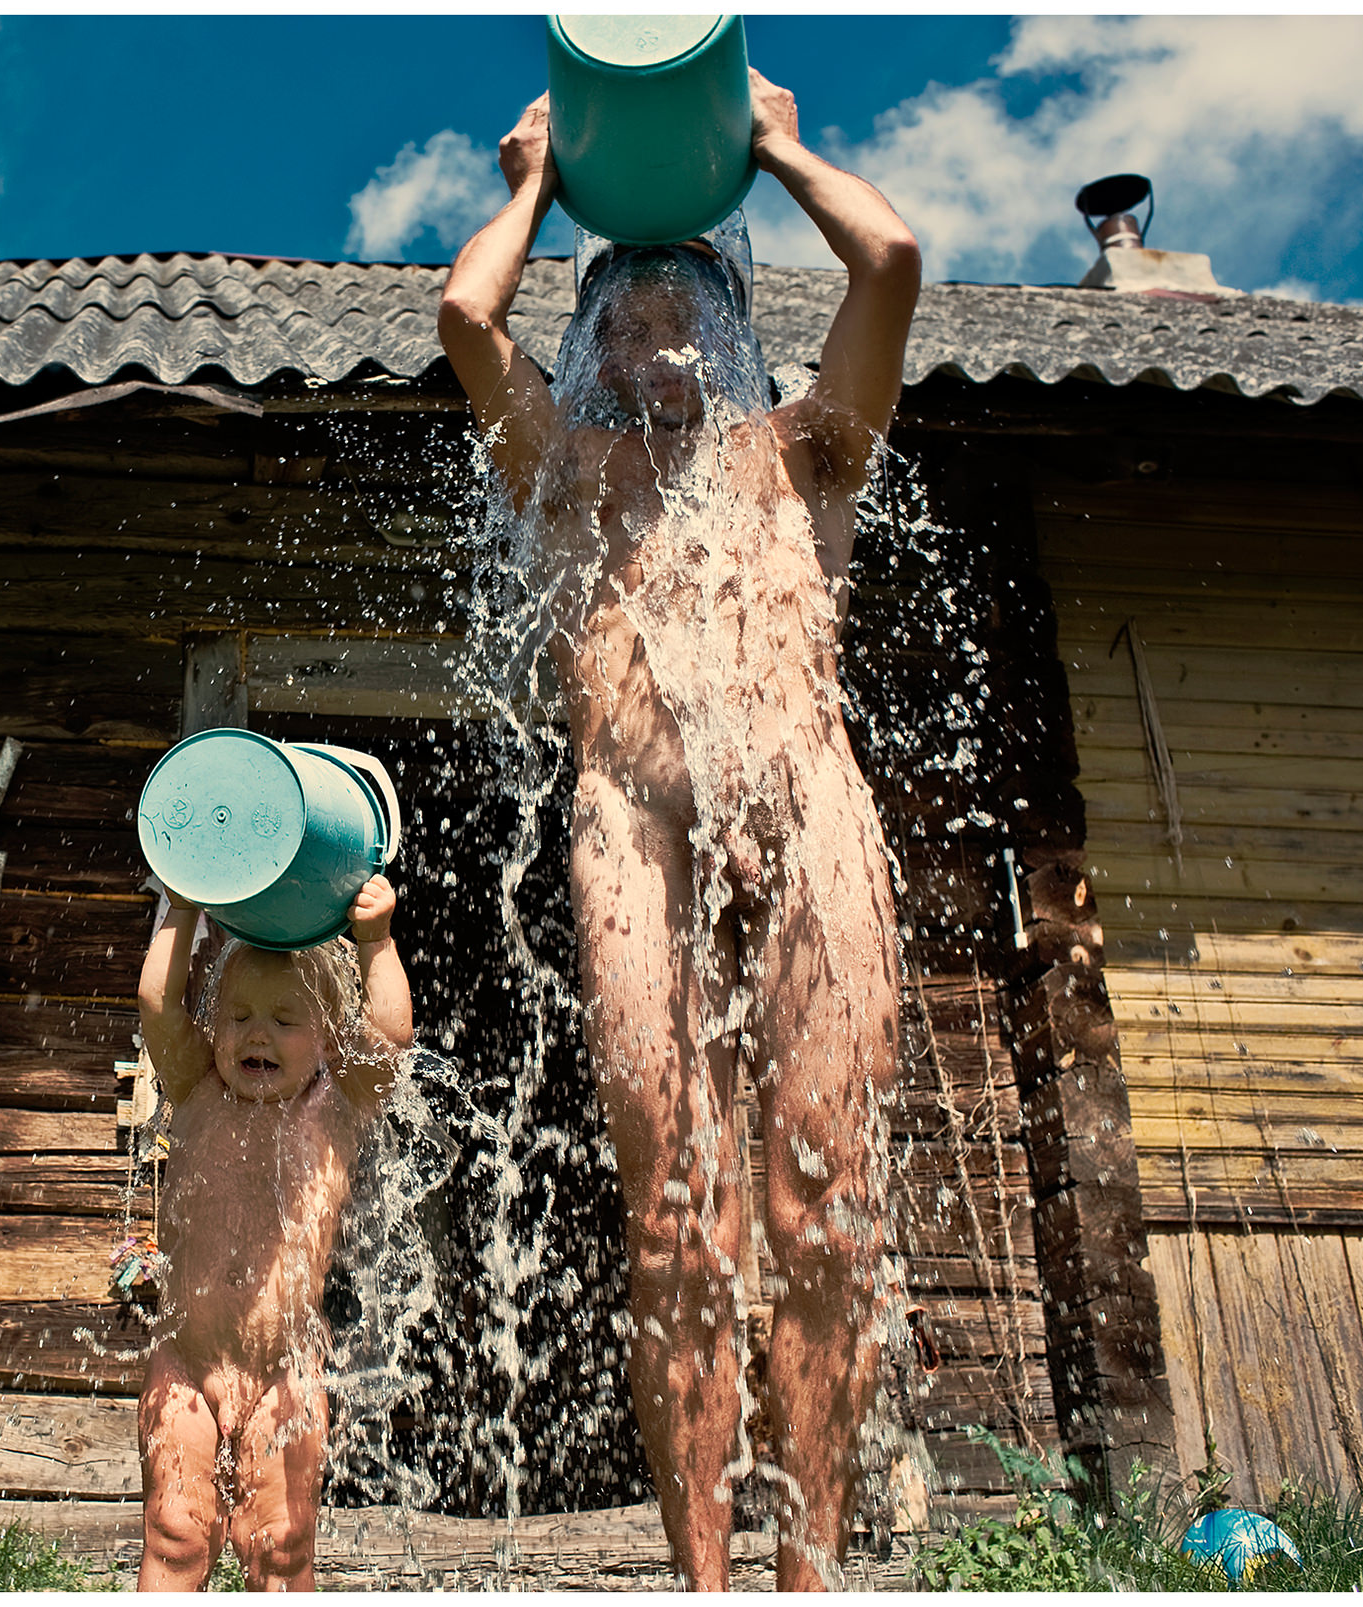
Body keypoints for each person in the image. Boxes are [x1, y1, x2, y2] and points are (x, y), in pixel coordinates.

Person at [436, 70, 920, 1590]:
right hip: (631, 824)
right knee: (678, 1219)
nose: (663, 337)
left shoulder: (806, 450)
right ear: (593, 341)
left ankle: (814, 1566)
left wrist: (766, 144)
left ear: (731, 329)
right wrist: (532, 182)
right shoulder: (565, 470)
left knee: (825, 1206)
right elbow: (462, 319)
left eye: (688, 311)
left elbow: (892, 261)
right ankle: (706, 1577)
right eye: (629, 317)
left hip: (809, 805)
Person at [133, 874, 414, 1590]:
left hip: (284, 1376)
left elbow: (390, 1037)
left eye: (286, 1019)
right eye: (239, 1016)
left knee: (281, 1547)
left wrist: (375, 944)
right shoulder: (196, 1089)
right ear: (213, 1025)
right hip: (185, 1367)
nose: (258, 1033)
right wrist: (184, 909)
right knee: (174, 1537)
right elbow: (158, 1004)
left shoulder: (335, 1109)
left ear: (326, 1037)